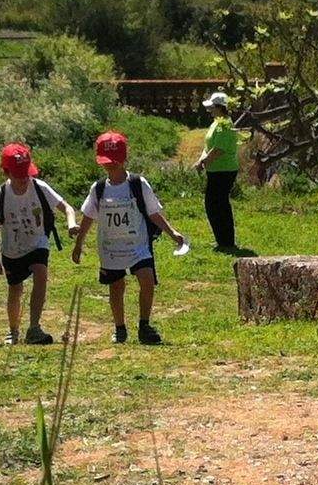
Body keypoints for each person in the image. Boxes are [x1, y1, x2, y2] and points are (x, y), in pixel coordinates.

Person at [71, 130, 188, 345]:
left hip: (138, 245)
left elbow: (153, 213)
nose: (110, 165)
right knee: (116, 286)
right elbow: (88, 217)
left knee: (146, 279)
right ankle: (119, 327)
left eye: (114, 161)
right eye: (106, 161)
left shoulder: (138, 184)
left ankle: (144, 325)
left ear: (124, 159)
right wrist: (79, 244)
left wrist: (173, 233)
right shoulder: (98, 189)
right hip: (111, 248)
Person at [0, 141, 74, 346]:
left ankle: (34, 327)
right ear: (6, 173)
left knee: (41, 273)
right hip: (12, 249)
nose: (24, 179)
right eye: (18, 175)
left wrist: (71, 224)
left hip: (37, 243)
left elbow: (67, 207)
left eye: (26, 173)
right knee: (15, 289)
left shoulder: (39, 187)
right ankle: (13, 330)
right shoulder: (0, 194)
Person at [192, 90, 243, 252]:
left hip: (224, 170)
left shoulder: (224, 125)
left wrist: (203, 162)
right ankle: (222, 240)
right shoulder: (217, 122)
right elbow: (209, 146)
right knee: (215, 204)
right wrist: (202, 159)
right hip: (216, 170)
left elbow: (218, 149)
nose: (209, 110)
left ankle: (227, 241)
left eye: (212, 107)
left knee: (218, 205)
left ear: (220, 108)